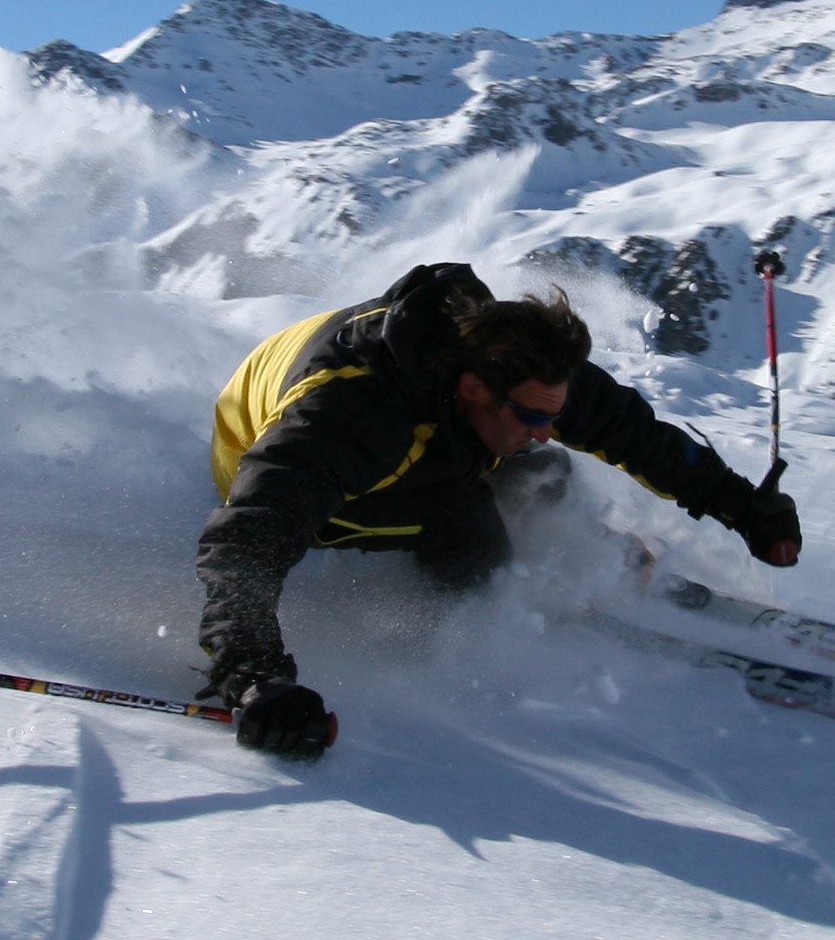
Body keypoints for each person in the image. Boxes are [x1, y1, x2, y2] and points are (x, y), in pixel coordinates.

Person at [198, 261, 802, 760]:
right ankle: (487, 602)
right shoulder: (352, 420)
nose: (545, 428)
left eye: (553, 416)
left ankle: (572, 552)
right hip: (249, 454)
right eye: (535, 417)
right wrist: (256, 677)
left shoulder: (516, 368)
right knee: (466, 523)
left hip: (406, 426)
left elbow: (632, 434)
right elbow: (249, 537)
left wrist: (745, 508)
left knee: (546, 469)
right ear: (471, 391)